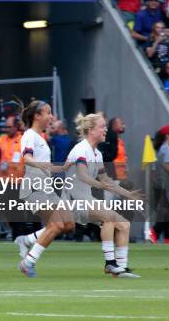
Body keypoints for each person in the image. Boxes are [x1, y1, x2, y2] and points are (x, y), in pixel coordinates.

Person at [64, 113, 142, 278]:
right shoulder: (81, 149)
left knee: (124, 225)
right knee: (109, 218)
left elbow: (106, 180)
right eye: (102, 126)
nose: (106, 129)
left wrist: (128, 195)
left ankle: (120, 268)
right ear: (91, 130)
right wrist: (99, 184)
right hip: (72, 200)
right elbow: (83, 175)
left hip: (85, 199)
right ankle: (110, 264)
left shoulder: (97, 154)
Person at [14, 100, 75, 278]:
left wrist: (62, 168)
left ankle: (27, 239)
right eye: (48, 113)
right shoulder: (29, 136)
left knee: (68, 224)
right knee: (56, 225)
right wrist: (40, 165)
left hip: (46, 188)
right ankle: (28, 262)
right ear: (37, 116)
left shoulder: (40, 138)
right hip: (34, 187)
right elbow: (27, 158)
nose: (51, 116)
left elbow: (44, 165)